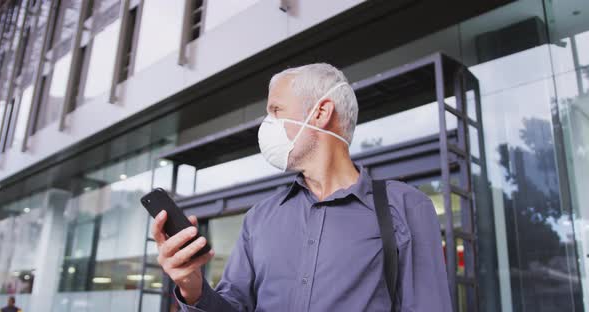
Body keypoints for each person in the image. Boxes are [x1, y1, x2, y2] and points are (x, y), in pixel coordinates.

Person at [152, 63, 452, 311]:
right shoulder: (259, 218)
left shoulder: (405, 207)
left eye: (276, 110)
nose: (267, 123)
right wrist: (191, 285)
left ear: (320, 113)